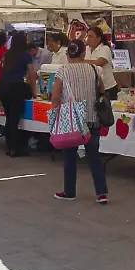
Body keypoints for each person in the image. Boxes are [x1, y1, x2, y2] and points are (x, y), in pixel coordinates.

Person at [51, 39, 109, 203]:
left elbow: (55, 97)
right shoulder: (95, 69)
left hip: (71, 120)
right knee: (94, 156)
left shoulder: (63, 71)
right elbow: (102, 91)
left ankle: (70, 191)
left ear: (68, 54)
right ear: (84, 53)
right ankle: (101, 193)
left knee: (69, 157)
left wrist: (55, 116)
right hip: (92, 119)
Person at [0, 32, 37, 157]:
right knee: (14, 119)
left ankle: (9, 146)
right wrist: (34, 92)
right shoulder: (26, 56)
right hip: (16, 88)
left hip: (3, 87)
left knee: (9, 117)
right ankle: (15, 148)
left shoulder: (7, 54)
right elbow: (32, 74)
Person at [81, 27, 118, 100]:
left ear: (99, 38)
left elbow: (99, 62)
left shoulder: (105, 48)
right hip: (93, 88)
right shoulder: (86, 49)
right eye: (87, 36)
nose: (88, 39)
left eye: (91, 37)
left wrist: (80, 61)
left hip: (107, 87)